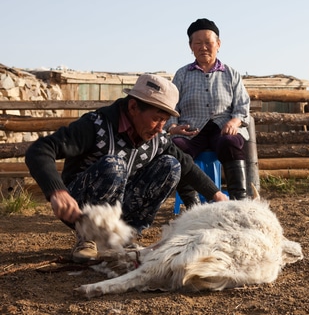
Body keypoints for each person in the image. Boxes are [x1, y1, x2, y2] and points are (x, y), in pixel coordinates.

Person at [25, 74, 228, 263]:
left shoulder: (158, 139)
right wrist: (57, 192)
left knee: (171, 166)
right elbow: (40, 150)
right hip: (78, 208)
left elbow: (188, 167)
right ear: (133, 107)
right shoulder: (95, 126)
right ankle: (89, 237)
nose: (160, 128)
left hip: (119, 208)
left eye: (165, 121)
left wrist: (217, 196)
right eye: (156, 118)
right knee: (114, 165)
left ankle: (125, 235)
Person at [167, 18, 250, 207]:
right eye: (197, 43)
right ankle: (192, 205)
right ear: (190, 46)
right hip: (191, 130)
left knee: (231, 143)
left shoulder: (231, 73)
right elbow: (171, 106)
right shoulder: (182, 74)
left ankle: (240, 203)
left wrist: (235, 121)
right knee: (177, 148)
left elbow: (242, 105)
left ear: (218, 44)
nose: (203, 47)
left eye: (208, 43)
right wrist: (172, 127)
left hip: (222, 128)